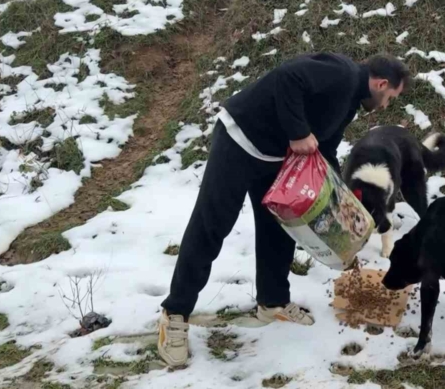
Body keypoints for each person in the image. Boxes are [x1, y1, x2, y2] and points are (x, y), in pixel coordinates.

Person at [157, 52, 411, 367]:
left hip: (274, 158)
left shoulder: (350, 102)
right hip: (240, 139)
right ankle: (175, 314)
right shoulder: (343, 75)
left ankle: (272, 301)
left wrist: (341, 199)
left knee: (280, 228)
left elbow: (326, 148)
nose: (386, 105)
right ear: (381, 83)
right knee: (212, 225)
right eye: (389, 97)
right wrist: (298, 132)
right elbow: (286, 78)